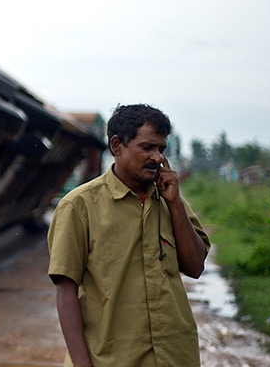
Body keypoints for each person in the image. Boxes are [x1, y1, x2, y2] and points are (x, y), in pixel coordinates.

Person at [47, 104, 210, 367]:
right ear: (116, 145)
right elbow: (66, 292)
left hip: (175, 357)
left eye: (161, 149)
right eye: (147, 147)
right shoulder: (79, 206)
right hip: (111, 360)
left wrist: (175, 204)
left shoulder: (170, 201)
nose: (156, 157)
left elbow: (195, 267)